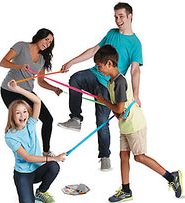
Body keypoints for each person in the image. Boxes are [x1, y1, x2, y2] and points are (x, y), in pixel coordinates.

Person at [58, 2, 142, 170]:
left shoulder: (135, 44)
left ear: (130, 16)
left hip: (107, 85)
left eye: (121, 17)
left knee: (102, 121)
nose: (118, 20)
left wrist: (137, 94)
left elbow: (135, 70)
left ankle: (104, 156)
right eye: (116, 17)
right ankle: (76, 119)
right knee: (75, 79)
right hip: (92, 75)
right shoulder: (111, 33)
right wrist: (71, 62)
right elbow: (93, 50)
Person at [94, 44, 183, 203]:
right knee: (123, 156)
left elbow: (119, 109)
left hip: (134, 125)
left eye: (99, 66)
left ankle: (171, 177)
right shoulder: (110, 83)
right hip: (125, 126)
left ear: (109, 63)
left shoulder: (120, 81)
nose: (98, 69)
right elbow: (118, 111)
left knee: (139, 157)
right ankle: (126, 190)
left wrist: (103, 101)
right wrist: (114, 109)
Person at [0, 28, 62, 157]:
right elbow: (3, 62)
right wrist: (19, 66)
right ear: (39, 37)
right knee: (21, 122)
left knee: (48, 119)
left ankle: (45, 151)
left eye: (50, 42)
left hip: (27, 92)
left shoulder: (42, 59)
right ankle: (24, 154)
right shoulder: (21, 46)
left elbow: (41, 81)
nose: (48, 44)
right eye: (46, 39)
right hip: (10, 90)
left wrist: (54, 89)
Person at [5, 80, 66, 203]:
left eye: (25, 111)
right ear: (12, 116)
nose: (22, 116)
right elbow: (27, 158)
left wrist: (18, 89)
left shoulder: (30, 124)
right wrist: (53, 158)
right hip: (23, 173)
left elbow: (37, 102)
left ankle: (41, 192)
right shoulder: (10, 136)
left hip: (38, 170)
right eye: (18, 113)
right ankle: (25, 188)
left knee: (54, 167)